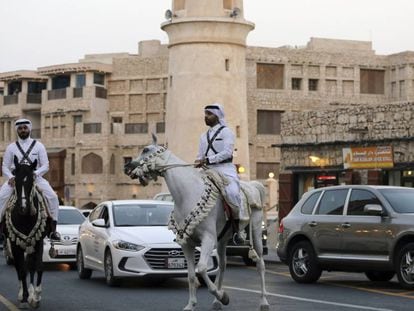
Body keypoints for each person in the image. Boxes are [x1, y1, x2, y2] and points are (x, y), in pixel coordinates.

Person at [0, 118, 60, 240]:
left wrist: (35, 174)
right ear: (17, 130)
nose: (23, 130)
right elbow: (5, 166)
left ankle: (53, 229)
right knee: (1, 197)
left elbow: (45, 165)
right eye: (20, 128)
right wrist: (11, 177)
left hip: (35, 178)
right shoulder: (11, 147)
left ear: (29, 129)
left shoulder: (39, 146)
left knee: (53, 197)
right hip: (16, 179)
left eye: (25, 128)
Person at [195, 103, 245, 244]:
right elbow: (200, 155)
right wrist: (199, 160)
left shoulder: (226, 132)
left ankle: (237, 228)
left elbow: (227, 152)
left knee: (232, 193)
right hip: (206, 171)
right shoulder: (203, 136)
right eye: (205, 114)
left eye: (209, 114)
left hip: (224, 169)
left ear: (217, 116)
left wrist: (208, 159)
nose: (206, 117)